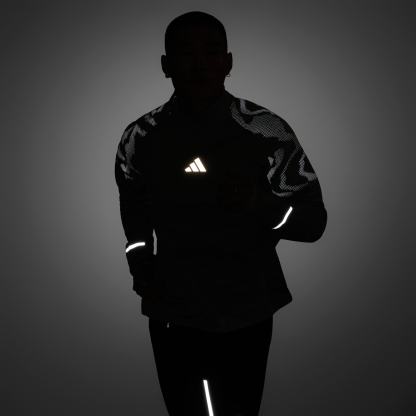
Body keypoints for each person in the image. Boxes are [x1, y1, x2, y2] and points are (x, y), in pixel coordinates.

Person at [114, 11, 327, 416]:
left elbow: (313, 221)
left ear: (228, 62)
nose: (199, 64)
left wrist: (261, 205)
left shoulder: (265, 130)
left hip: (247, 309)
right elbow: (133, 210)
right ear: (166, 65)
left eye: (211, 52)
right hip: (173, 311)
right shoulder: (140, 137)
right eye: (185, 53)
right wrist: (141, 267)